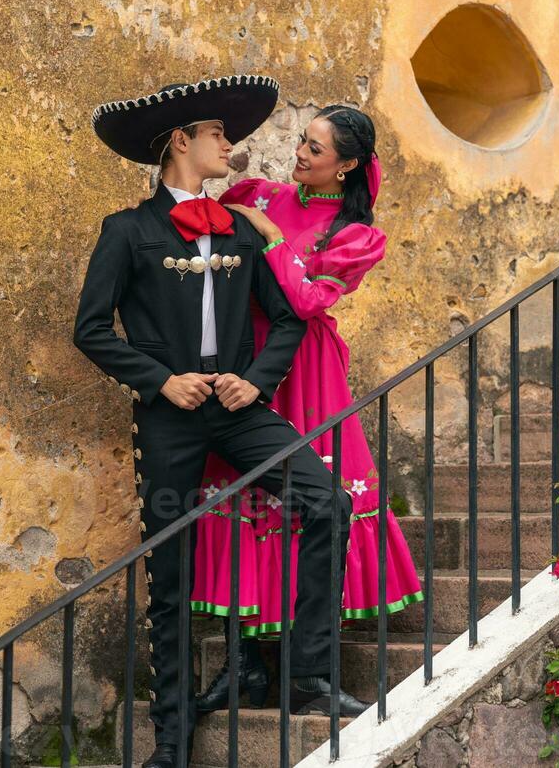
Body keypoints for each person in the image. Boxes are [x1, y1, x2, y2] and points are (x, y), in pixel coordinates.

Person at [73, 76, 367, 768]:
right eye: (216, 135)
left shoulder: (239, 226)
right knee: (172, 578)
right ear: (181, 142)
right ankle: (171, 746)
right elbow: (91, 330)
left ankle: (306, 671)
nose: (228, 147)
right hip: (171, 420)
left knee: (325, 502)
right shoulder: (127, 231)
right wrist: (159, 379)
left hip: (240, 413)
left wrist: (256, 380)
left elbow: (293, 316)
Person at [192, 104, 424, 713]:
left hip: (306, 373)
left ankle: (310, 673)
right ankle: (244, 666)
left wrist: (269, 236)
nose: (300, 154)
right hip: (243, 357)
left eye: (316, 150)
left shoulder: (356, 238)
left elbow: (304, 301)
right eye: (302, 140)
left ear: (347, 165)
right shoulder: (259, 193)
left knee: (317, 503)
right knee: (240, 499)